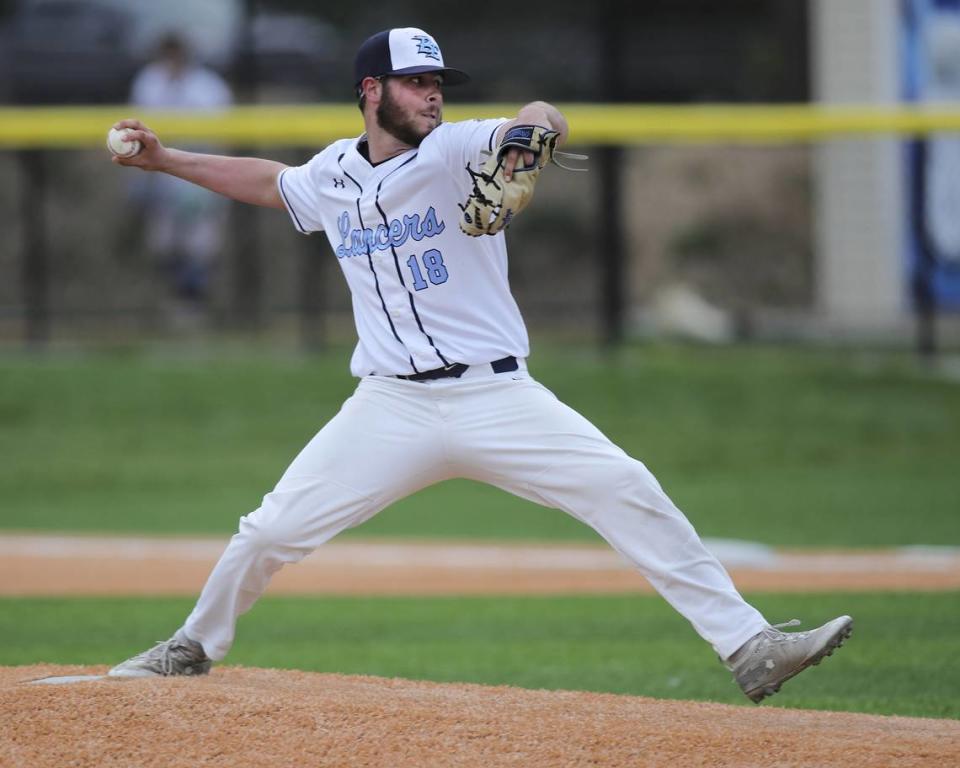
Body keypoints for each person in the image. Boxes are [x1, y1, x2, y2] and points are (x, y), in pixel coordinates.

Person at [106, 27, 852, 703]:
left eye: (438, 83)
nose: (433, 93)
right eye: (416, 82)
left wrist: (527, 145)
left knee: (626, 486)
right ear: (371, 91)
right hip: (388, 407)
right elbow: (271, 183)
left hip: (498, 397)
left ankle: (751, 647)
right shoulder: (333, 174)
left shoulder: (459, 148)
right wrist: (166, 159)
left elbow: (543, 112)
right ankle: (194, 646)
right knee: (268, 533)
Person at [127, 33, 233, 313]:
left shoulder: (208, 86)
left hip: (199, 170)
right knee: (162, 241)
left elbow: (220, 134)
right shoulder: (148, 80)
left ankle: (194, 303)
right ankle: (172, 299)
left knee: (201, 241)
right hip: (159, 173)